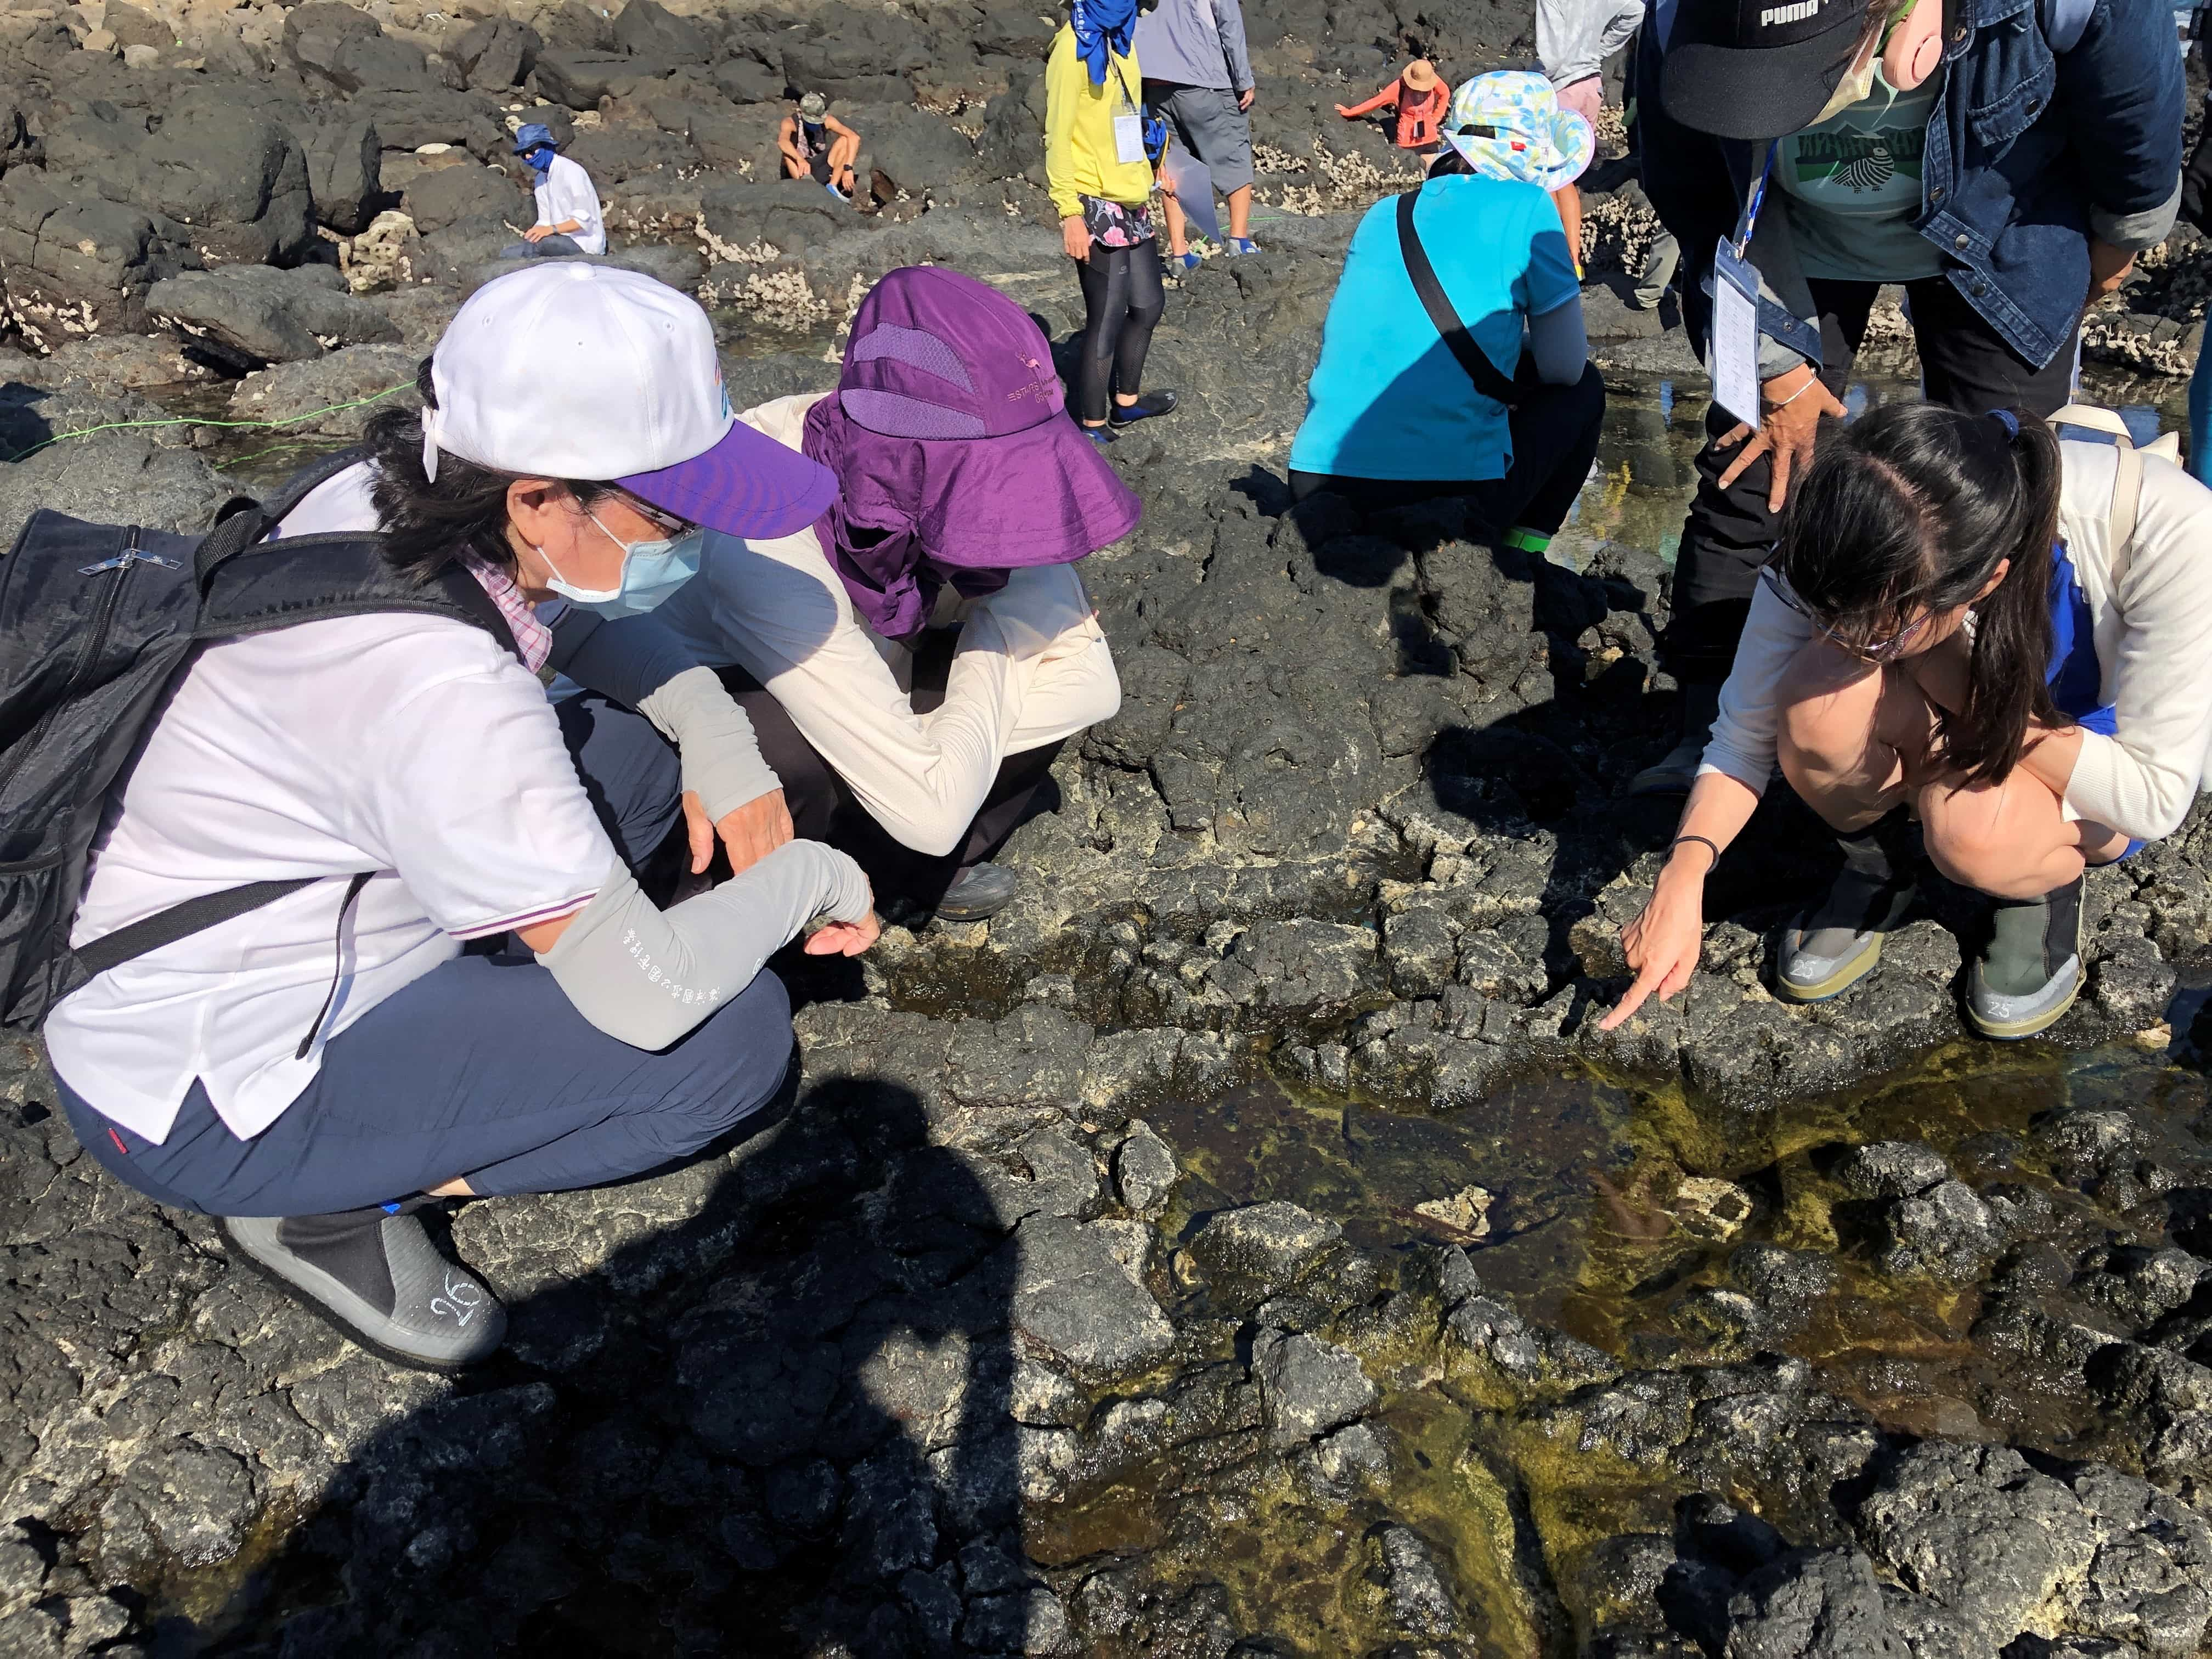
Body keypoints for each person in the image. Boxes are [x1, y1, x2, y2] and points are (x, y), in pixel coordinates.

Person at [43, 263, 878, 1370]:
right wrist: (817, 880)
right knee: (732, 1048)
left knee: (635, 755)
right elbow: (655, 995)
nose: (697, 542)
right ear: (536, 496)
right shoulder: (447, 696)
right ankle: (320, 1205)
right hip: (212, 1086)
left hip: (237, 938)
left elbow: (555, 626)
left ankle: (504, 969)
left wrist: (715, 734)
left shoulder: (385, 490)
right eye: (673, 514)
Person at [1627, 0, 2184, 795]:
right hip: (1789, 235)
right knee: (1757, 468)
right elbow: (1689, 181)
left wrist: (2119, 234)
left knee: (2004, 501)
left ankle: (1986, 740)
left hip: (2003, 219)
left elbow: (2137, 103)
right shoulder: (1684, 12)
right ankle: (1709, 723)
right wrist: (1776, 363)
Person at [1603, 404, 2212, 1042]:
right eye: (1832, 615)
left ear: (1987, 582)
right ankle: (1880, 865)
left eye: (1883, 633)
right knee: (1817, 695)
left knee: (1972, 826)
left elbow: (2154, 800)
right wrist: (1683, 876)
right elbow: (1742, 737)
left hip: (2090, 764)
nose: (1849, 637)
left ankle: (2042, 892)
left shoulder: (2166, 530)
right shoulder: (1839, 530)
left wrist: (1974, 696)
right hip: (1959, 702)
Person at [653, 267, 1134, 924]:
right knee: (783, 752)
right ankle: (765, 901)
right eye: (987, 489)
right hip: (738, 689)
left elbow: (1093, 688)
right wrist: (995, 642)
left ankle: (910, 874)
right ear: (911, 470)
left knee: (1045, 682)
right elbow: (935, 814)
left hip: (875, 670)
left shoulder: (918, 433)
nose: (1006, 511)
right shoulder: (765, 537)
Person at [1286, 70, 1604, 549]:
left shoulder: (1384, 212)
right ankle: (1521, 558)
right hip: (1441, 499)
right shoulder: (1531, 207)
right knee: (1585, 390)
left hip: (1316, 478)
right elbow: (1563, 366)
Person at [1047, 0, 1183, 445]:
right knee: (1105, 318)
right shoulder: (1072, 48)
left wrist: (1153, 165)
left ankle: (1126, 404)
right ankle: (1092, 424)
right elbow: (1059, 134)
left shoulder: (1123, 41)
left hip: (1132, 193)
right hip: (1093, 199)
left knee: (1148, 306)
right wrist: (1069, 212)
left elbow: (1130, 112)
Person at [1135, 0, 1261, 253]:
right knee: (1234, 156)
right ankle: (1238, 241)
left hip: (1152, 83)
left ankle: (1180, 254)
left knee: (1172, 167)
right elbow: (1229, 23)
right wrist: (1244, 79)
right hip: (1203, 79)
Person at [500, 123, 605, 259]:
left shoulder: (571, 172)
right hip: (557, 239)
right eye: (523, 153)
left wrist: (551, 230)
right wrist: (533, 233)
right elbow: (544, 221)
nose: (527, 157)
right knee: (506, 254)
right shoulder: (540, 180)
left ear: (548, 146)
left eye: (532, 150)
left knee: (539, 246)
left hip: (585, 243)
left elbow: (583, 222)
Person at [1335, 58, 1449, 152]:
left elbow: (1445, 93)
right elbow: (1376, 102)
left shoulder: (1432, 79)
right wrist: (1350, 112)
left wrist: (1437, 116)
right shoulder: (1400, 87)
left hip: (1430, 139)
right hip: (1407, 143)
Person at [781, 91, 861, 202]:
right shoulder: (790, 123)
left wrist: (848, 168)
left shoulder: (827, 120)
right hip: (800, 170)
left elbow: (854, 137)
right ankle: (806, 187)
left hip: (819, 166)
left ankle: (832, 187)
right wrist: (800, 159)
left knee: (845, 140)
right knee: (788, 154)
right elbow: (782, 142)